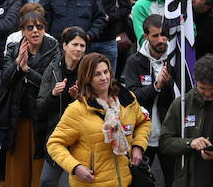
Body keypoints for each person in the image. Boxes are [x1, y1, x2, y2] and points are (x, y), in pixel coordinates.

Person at [47, 53, 150, 187]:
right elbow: (54, 144)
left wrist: (138, 147)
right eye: (97, 74)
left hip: (126, 181)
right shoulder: (77, 110)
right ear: (87, 78)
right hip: (92, 183)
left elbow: (144, 122)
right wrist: (76, 167)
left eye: (106, 72)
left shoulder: (127, 99)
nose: (104, 78)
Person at [0, 5, 59, 187]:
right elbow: (5, 82)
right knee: (18, 173)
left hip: (43, 119)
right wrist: (16, 65)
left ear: (45, 29)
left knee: (40, 173)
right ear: (22, 31)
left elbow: (48, 83)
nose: (35, 31)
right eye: (30, 27)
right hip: (18, 118)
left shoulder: (54, 50)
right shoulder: (13, 49)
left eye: (39, 27)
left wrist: (26, 69)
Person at [159, 54, 213, 187]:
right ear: (196, 81)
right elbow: (164, 142)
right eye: (202, 88)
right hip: (188, 181)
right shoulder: (182, 104)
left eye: (212, 89)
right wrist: (190, 143)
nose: (206, 93)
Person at [121, 15, 177, 187]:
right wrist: (156, 86)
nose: (161, 40)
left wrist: (167, 84)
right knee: (139, 180)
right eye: (155, 36)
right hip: (143, 135)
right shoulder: (134, 62)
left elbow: (182, 95)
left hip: (170, 133)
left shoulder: (176, 60)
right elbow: (133, 97)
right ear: (145, 36)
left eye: (163, 35)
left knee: (173, 180)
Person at [36, 26, 88, 187]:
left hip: (82, 137)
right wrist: (53, 94)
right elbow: (40, 107)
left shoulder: (88, 71)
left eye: (82, 46)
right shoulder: (52, 69)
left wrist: (80, 98)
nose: (78, 49)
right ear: (64, 46)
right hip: (58, 134)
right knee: (47, 181)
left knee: (71, 183)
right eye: (75, 44)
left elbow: (99, 105)